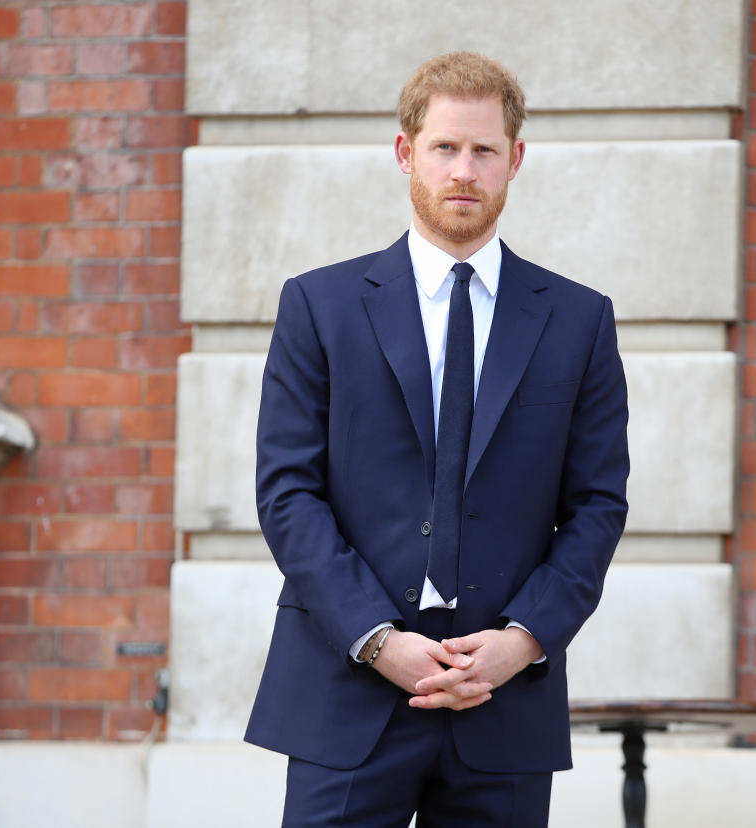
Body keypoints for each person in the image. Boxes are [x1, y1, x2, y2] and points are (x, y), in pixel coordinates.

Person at [246, 51, 630, 827]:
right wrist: (377, 639)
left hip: (502, 700)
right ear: (404, 153)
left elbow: (597, 504)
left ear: (515, 160)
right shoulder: (319, 307)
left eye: (484, 150)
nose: (464, 170)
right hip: (346, 688)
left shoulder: (579, 320)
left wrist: (523, 640)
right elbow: (288, 493)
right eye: (444, 148)